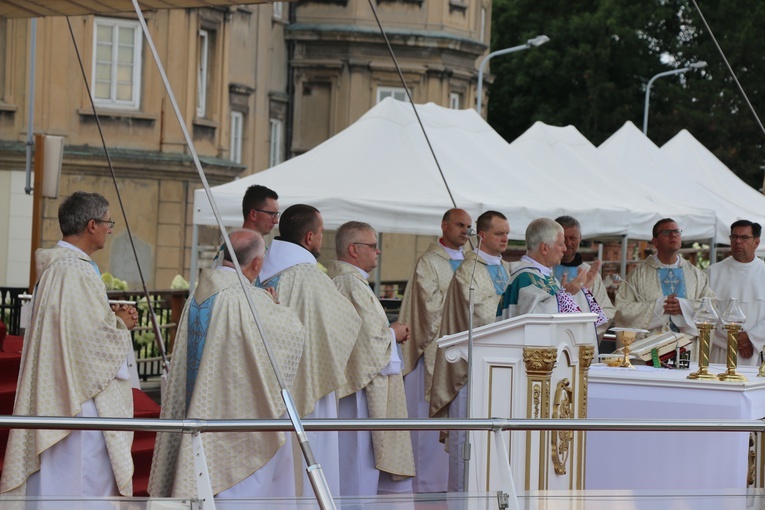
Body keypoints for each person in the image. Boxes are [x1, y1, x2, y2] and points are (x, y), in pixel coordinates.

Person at [148, 230, 306, 499]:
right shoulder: (247, 299)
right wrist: (274, 304)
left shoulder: (199, 293)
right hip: (233, 419)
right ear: (256, 264)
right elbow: (293, 334)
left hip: (202, 403)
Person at [0, 191, 138, 497]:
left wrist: (109, 318)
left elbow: (76, 330)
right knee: (79, 485)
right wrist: (122, 325)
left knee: (58, 484)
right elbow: (90, 345)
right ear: (92, 225)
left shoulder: (59, 267)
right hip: (78, 400)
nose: (110, 228)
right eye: (107, 222)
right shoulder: (74, 271)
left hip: (59, 391)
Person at [258, 204, 361, 496]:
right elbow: (344, 327)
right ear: (309, 237)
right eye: (321, 233)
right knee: (315, 455)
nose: (322, 239)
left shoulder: (259, 268)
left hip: (270, 386)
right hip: (310, 386)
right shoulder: (311, 278)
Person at [326, 222, 415, 496]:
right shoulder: (350, 284)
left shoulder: (350, 282)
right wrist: (393, 332)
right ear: (353, 249)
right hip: (360, 390)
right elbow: (365, 341)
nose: (378, 252)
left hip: (361, 384)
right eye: (372, 246)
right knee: (357, 457)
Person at [429, 210, 511, 492]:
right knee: (469, 442)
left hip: (502, 369)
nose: (505, 239)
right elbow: (480, 314)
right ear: (483, 236)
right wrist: (514, 306)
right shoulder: (468, 271)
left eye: (507, 233)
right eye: (499, 234)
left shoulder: (507, 268)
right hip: (469, 372)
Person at [399, 208, 472, 493]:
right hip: (435, 350)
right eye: (459, 225)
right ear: (444, 226)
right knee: (426, 422)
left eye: (469, 226)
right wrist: (464, 315)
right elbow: (427, 307)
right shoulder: (428, 262)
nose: (465, 231)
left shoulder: (472, 263)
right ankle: (426, 485)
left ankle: (455, 482)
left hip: (466, 352)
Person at [497, 218, 608, 333]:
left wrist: (582, 291)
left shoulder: (546, 277)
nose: (565, 249)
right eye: (560, 244)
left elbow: (563, 317)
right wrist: (566, 294)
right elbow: (533, 322)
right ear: (544, 248)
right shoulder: (525, 278)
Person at [614, 218, 714, 336]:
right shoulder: (637, 276)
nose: (673, 235)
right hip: (651, 347)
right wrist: (659, 307)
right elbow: (622, 309)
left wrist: (684, 306)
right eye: (666, 232)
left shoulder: (696, 275)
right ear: (655, 241)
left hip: (688, 345)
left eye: (677, 232)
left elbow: (711, 305)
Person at [705, 220, 765, 365]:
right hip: (721, 350)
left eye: (744, 237)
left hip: (757, 350)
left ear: (756, 242)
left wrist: (751, 338)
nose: (738, 241)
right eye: (734, 237)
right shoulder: (713, 272)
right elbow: (706, 310)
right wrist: (733, 337)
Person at [553, 215, 615, 336]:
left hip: (582, 339)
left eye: (573, 238)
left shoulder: (588, 272)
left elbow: (607, 310)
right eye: (563, 238)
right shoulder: (545, 268)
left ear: (580, 239)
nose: (568, 243)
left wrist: (584, 329)